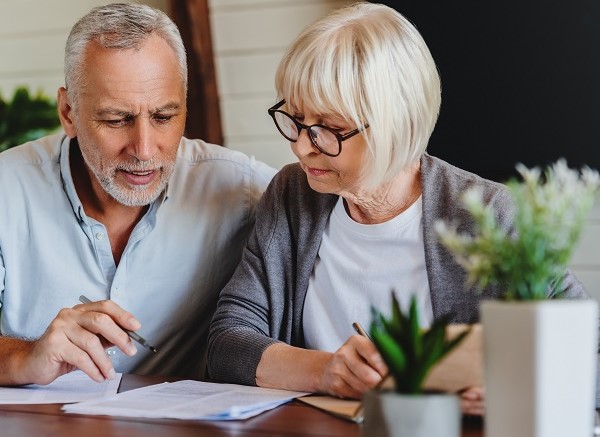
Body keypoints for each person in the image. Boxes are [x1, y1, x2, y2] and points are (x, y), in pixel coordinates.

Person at [206, 2, 591, 416]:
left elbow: (591, 352)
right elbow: (227, 342)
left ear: (397, 123)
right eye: (296, 120)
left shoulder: (490, 216)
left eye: (330, 129)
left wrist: (517, 388)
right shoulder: (292, 195)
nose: (301, 146)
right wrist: (325, 370)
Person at [0, 3, 275, 386]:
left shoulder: (241, 189)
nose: (144, 149)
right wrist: (26, 357)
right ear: (68, 113)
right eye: (116, 119)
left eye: (164, 117)